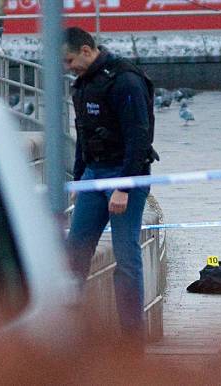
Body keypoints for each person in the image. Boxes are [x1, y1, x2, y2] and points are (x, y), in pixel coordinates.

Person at [63, 27, 157, 351]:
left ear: (87, 50)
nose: (68, 67)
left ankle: (132, 342)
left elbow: (139, 137)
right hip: (93, 175)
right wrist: (78, 179)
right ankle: (68, 334)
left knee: (126, 258)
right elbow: (83, 136)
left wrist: (125, 188)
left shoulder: (125, 80)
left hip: (124, 176)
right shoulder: (84, 83)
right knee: (75, 251)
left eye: (71, 60)